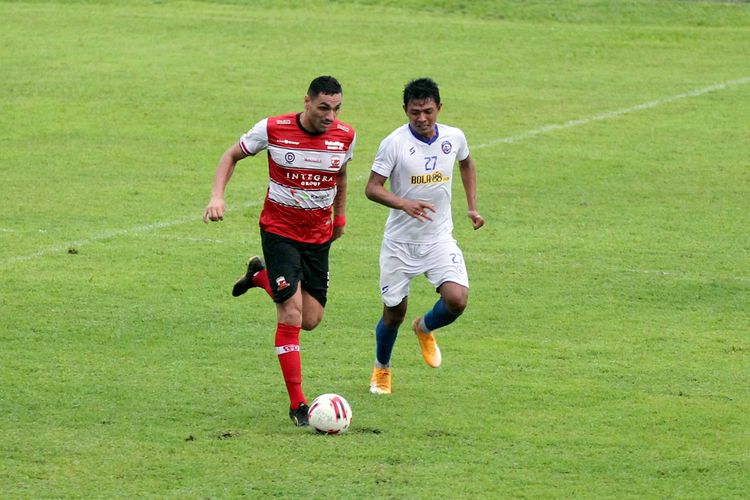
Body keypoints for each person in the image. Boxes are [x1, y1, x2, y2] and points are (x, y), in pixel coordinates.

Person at [203, 76, 356, 426]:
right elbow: (231, 155)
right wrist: (217, 196)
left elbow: (342, 175)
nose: (330, 116)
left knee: (310, 319)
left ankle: (260, 276)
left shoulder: (345, 136)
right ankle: (298, 405)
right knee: (289, 315)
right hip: (280, 231)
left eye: (336, 109)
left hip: (318, 236)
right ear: (307, 102)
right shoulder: (273, 129)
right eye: (323, 108)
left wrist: (340, 218)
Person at [364, 77, 484, 395]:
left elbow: (467, 163)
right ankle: (382, 370)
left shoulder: (454, 137)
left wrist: (472, 207)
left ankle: (425, 327)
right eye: (415, 112)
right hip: (400, 244)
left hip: (438, 238)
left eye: (428, 111)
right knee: (394, 313)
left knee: (457, 300)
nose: (421, 118)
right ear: (405, 110)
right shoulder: (394, 143)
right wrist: (403, 203)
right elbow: (372, 188)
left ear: (439, 108)